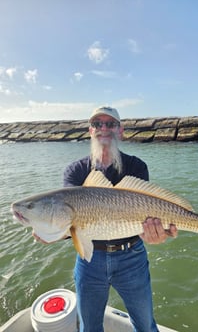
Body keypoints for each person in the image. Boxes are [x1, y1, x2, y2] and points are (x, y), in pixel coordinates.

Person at [35, 106, 177, 332]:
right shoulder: (75, 171)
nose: (104, 128)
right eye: (97, 124)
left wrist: (157, 235)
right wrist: (53, 233)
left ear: (120, 131)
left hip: (132, 257)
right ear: (90, 130)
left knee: (146, 326)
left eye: (110, 124)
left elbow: (146, 216)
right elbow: (72, 220)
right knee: (89, 328)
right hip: (90, 259)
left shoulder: (136, 167)